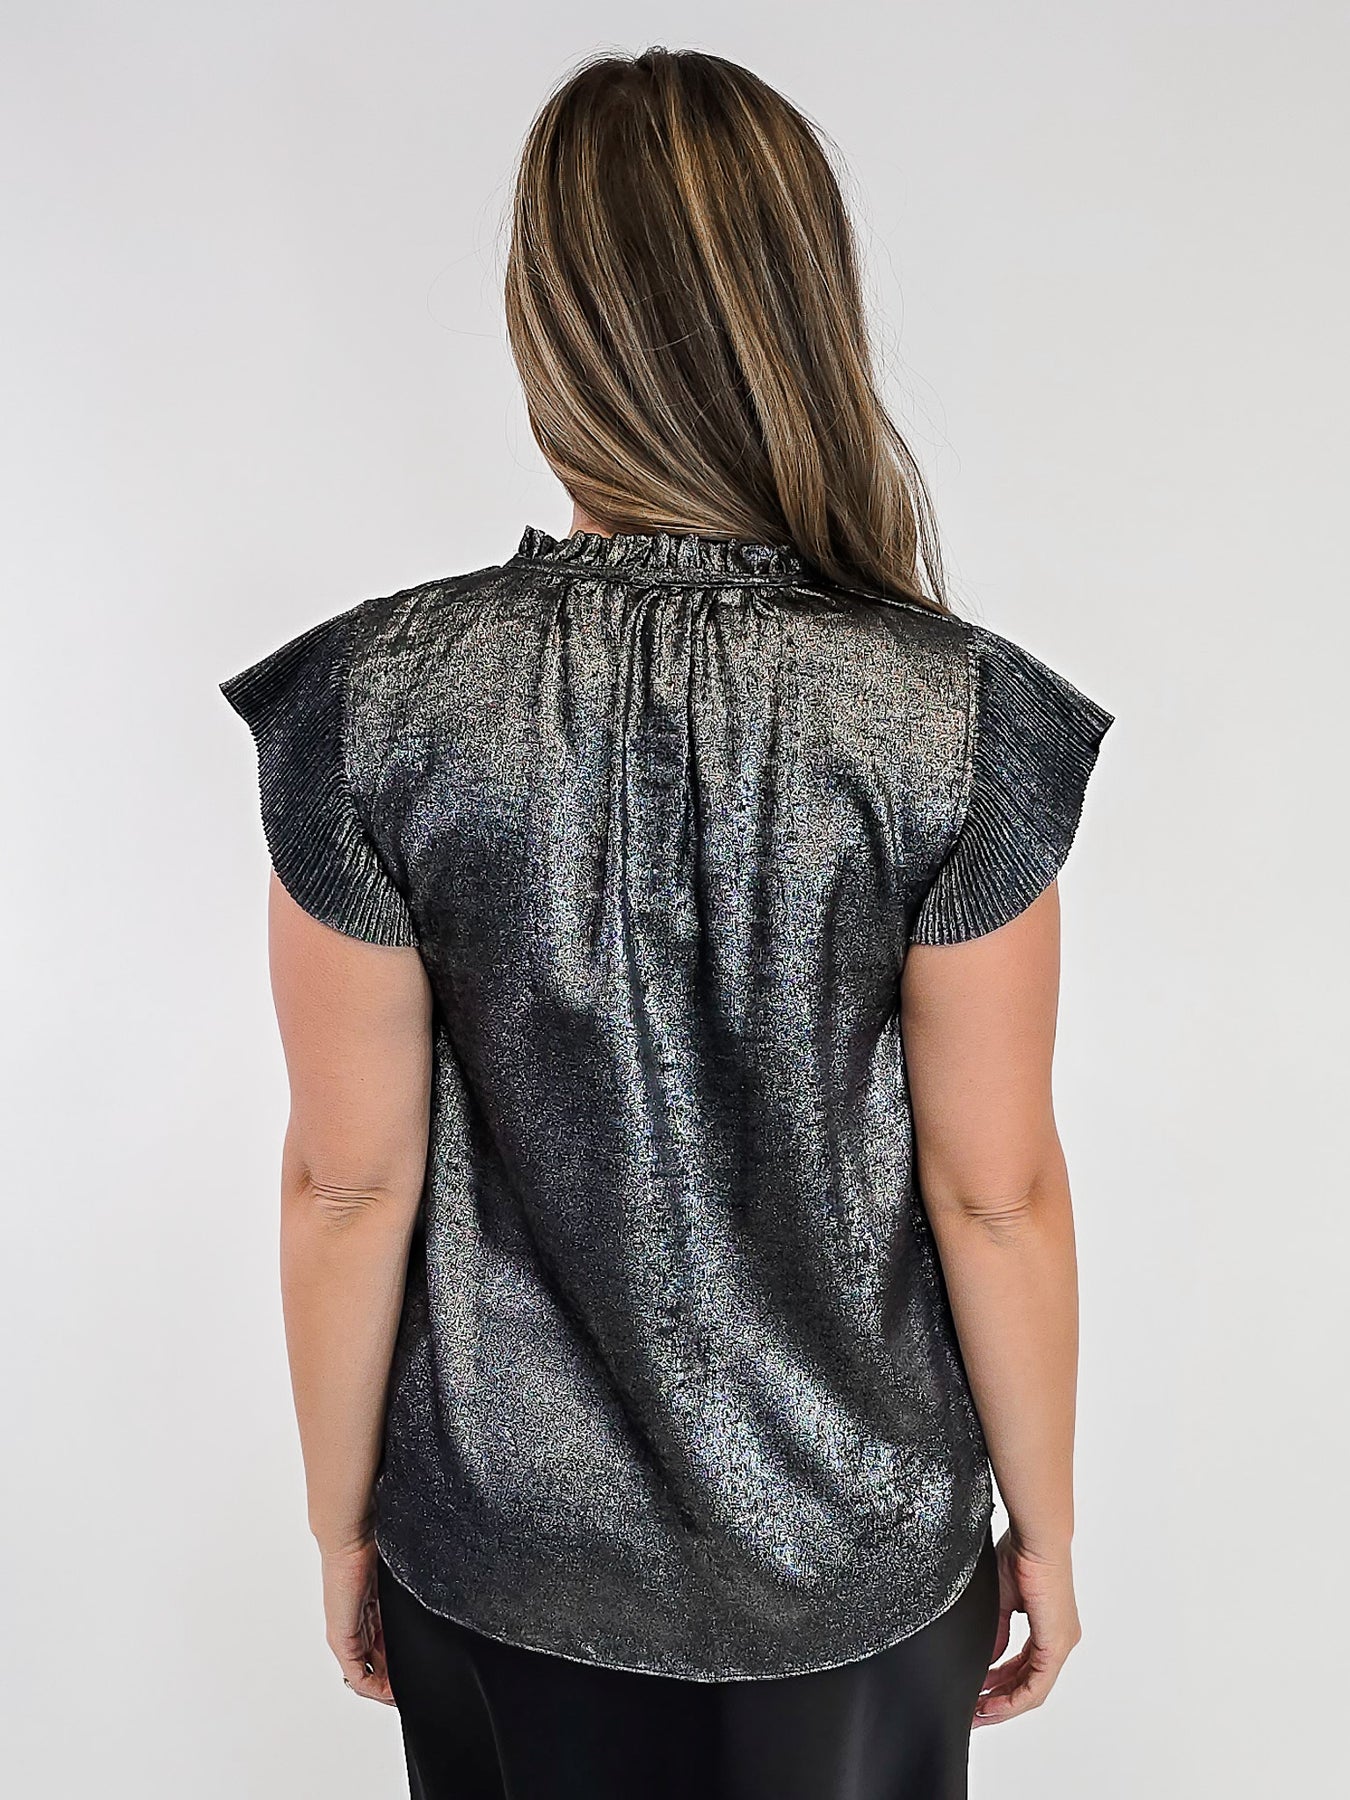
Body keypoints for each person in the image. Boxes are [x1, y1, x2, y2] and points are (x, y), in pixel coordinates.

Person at [219, 45, 1115, 1800]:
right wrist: (1048, 1530)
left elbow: (344, 1183)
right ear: (802, 315)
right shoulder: (953, 718)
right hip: (856, 1563)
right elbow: (993, 1189)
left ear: (549, 330)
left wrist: (339, 1524)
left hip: (498, 1554)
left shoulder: (374, 703)